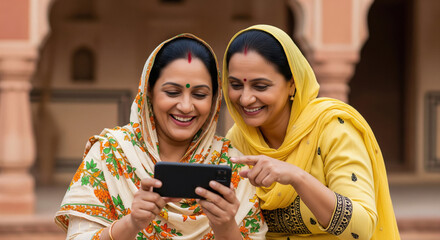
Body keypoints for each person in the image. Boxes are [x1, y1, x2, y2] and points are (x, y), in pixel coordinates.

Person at [55, 33, 267, 240]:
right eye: (172, 92)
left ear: (214, 100)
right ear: (148, 90)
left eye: (200, 95)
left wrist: (226, 228)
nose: (185, 106)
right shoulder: (110, 154)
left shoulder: (233, 167)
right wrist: (132, 223)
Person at [221, 24, 400, 240]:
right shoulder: (238, 140)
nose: (245, 98)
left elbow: (360, 229)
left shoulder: (332, 128)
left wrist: (297, 177)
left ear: (292, 84)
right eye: (236, 85)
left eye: (260, 86)